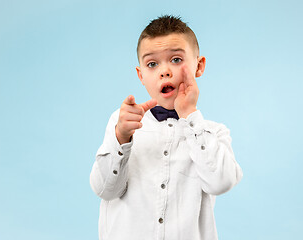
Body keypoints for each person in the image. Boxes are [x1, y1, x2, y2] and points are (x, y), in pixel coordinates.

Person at [90, 15, 243, 240]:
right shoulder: (123, 124)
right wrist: (121, 138)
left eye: (176, 59)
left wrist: (190, 116)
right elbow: (104, 189)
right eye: (152, 64)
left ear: (199, 66)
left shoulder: (212, 133)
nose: (164, 71)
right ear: (141, 74)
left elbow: (221, 182)